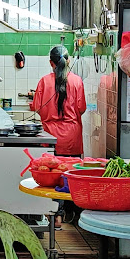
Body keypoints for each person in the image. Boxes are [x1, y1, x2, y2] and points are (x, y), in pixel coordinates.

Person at [30, 45, 86, 228]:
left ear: (51, 63)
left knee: (51, 177)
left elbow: (37, 107)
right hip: (71, 137)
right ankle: (71, 214)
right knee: (70, 175)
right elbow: (81, 108)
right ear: (68, 60)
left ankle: (55, 216)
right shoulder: (77, 81)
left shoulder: (44, 82)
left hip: (50, 136)